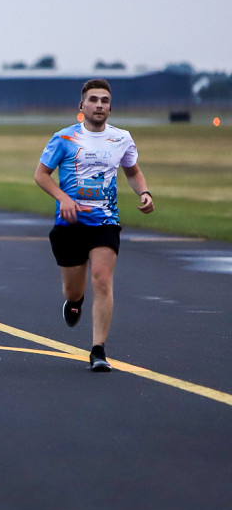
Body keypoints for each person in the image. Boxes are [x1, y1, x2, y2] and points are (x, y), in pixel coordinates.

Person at [34, 79, 154, 372]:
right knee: (72, 289)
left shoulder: (122, 138)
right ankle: (75, 302)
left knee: (102, 279)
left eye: (104, 100)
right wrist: (63, 198)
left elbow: (133, 171)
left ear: (110, 107)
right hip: (70, 223)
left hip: (105, 221)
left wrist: (145, 192)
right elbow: (41, 175)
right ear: (82, 106)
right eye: (93, 100)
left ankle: (98, 350)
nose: (99, 105)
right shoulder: (63, 138)